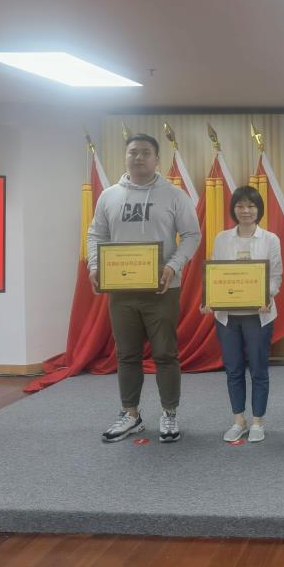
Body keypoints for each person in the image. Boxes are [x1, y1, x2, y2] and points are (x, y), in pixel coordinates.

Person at [88, 133, 200, 443]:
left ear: (157, 159)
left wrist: (172, 266)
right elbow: (96, 234)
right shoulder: (109, 196)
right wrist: (95, 266)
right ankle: (131, 414)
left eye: (145, 152)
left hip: (163, 289)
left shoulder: (174, 195)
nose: (138, 157)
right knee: (127, 355)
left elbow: (192, 235)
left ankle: (169, 413)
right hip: (122, 291)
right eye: (133, 152)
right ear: (125, 157)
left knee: (165, 353)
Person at [201, 186, 284, 444]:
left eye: (251, 206)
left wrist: (266, 296)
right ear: (233, 209)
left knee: (258, 369)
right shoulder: (222, 238)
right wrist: (209, 299)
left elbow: (276, 276)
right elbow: (215, 274)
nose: (245, 211)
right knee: (233, 369)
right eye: (240, 206)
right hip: (227, 316)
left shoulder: (270, 239)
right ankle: (239, 420)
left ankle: (258, 420)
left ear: (259, 209)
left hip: (259, 315)